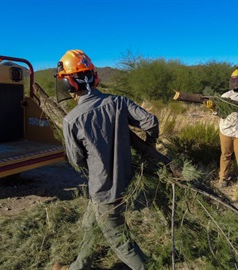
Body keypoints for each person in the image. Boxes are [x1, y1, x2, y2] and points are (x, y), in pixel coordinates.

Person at [52, 49, 159, 270]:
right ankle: (79, 266)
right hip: (122, 184)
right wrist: (149, 145)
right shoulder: (119, 103)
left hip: (104, 191)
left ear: (68, 84)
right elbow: (150, 122)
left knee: (121, 243)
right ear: (94, 76)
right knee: (89, 226)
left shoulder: (72, 120)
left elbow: (76, 160)